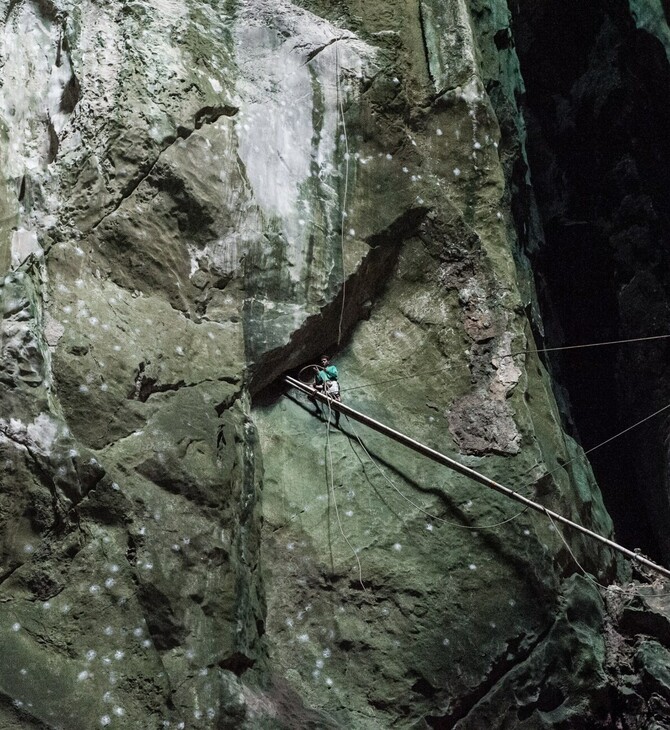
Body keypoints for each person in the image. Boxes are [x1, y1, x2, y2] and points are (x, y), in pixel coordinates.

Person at [313, 355, 341, 426]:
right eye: (322, 361)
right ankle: (318, 408)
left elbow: (335, 374)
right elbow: (319, 379)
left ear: (328, 362)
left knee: (336, 406)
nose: (323, 362)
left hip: (332, 384)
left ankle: (337, 421)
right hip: (325, 386)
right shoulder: (321, 371)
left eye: (324, 360)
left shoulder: (332, 367)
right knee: (311, 393)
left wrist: (327, 370)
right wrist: (317, 373)